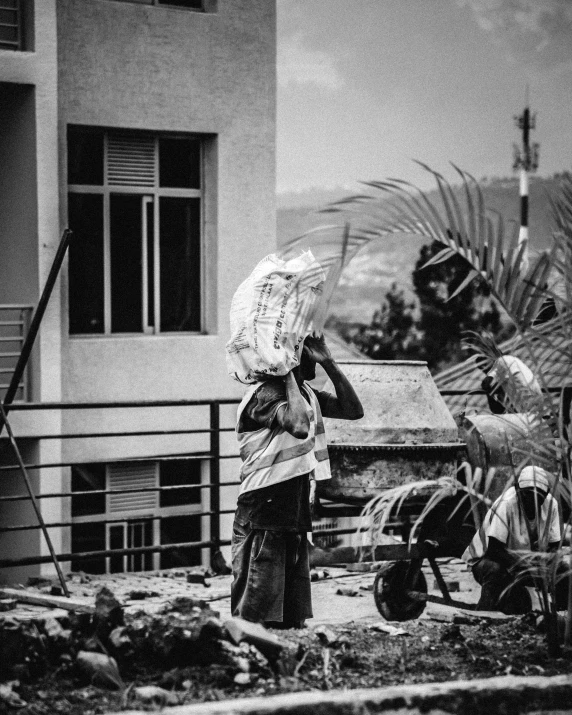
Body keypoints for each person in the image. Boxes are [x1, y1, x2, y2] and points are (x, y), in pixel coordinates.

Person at [230, 332, 364, 629]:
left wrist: (329, 364)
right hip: (263, 513)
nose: (313, 355)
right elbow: (299, 426)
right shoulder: (265, 393)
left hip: (292, 510)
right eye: (306, 350)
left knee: (292, 617)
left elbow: (353, 410)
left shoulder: (304, 394)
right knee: (256, 614)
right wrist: (286, 369)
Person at [462, 466, 562, 613]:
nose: (531, 502)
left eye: (538, 498)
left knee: (564, 570)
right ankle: (483, 615)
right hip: (486, 559)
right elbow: (494, 550)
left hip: (525, 561)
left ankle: (560, 619)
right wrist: (526, 568)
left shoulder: (551, 504)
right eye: (527, 496)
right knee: (495, 570)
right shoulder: (507, 503)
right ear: (518, 490)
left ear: (546, 494)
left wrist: (547, 565)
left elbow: (554, 545)